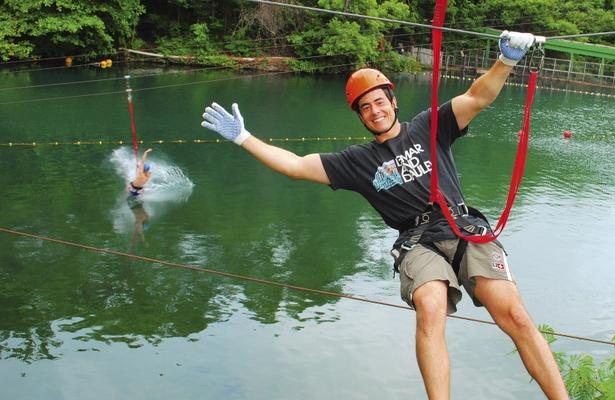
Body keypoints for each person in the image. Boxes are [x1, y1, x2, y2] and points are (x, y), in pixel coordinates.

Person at [201, 31, 568, 399]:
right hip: (418, 242)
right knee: (430, 307)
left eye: (379, 102)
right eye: (366, 108)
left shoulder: (428, 126)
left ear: (392, 101)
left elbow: (477, 96)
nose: (375, 111)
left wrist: (506, 61)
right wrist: (244, 137)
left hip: (462, 227)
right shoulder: (356, 162)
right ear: (360, 116)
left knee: (515, 316)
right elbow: (296, 165)